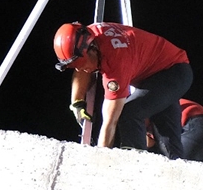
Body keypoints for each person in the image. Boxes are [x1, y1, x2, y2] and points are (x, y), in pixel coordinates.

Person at [53, 21, 191, 156]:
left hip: (173, 72)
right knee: (170, 144)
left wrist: (101, 158)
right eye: (74, 66)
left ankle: (132, 164)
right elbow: (80, 66)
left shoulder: (115, 63)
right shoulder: (89, 35)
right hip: (159, 72)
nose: (80, 69)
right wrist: (77, 101)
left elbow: (110, 122)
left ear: (93, 50)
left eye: (82, 64)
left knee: (130, 112)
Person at [146, 98, 203, 164]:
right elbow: (149, 142)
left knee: (174, 169)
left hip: (198, 127)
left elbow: (143, 139)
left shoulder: (148, 106)